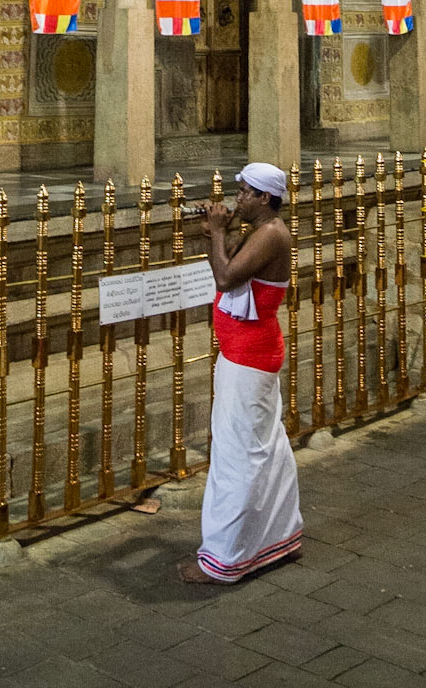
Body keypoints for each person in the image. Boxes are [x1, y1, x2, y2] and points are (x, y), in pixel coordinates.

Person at [179, 162, 302, 585]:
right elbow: (236, 267)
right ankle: (276, 538)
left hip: (248, 357)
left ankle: (225, 559)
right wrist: (223, 233)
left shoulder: (271, 234)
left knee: (237, 457)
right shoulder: (263, 233)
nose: (238, 200)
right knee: (264, 448)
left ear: (265, 198)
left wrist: (216, 234)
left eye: (246, 193)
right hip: (249, 353)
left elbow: (227, 276)